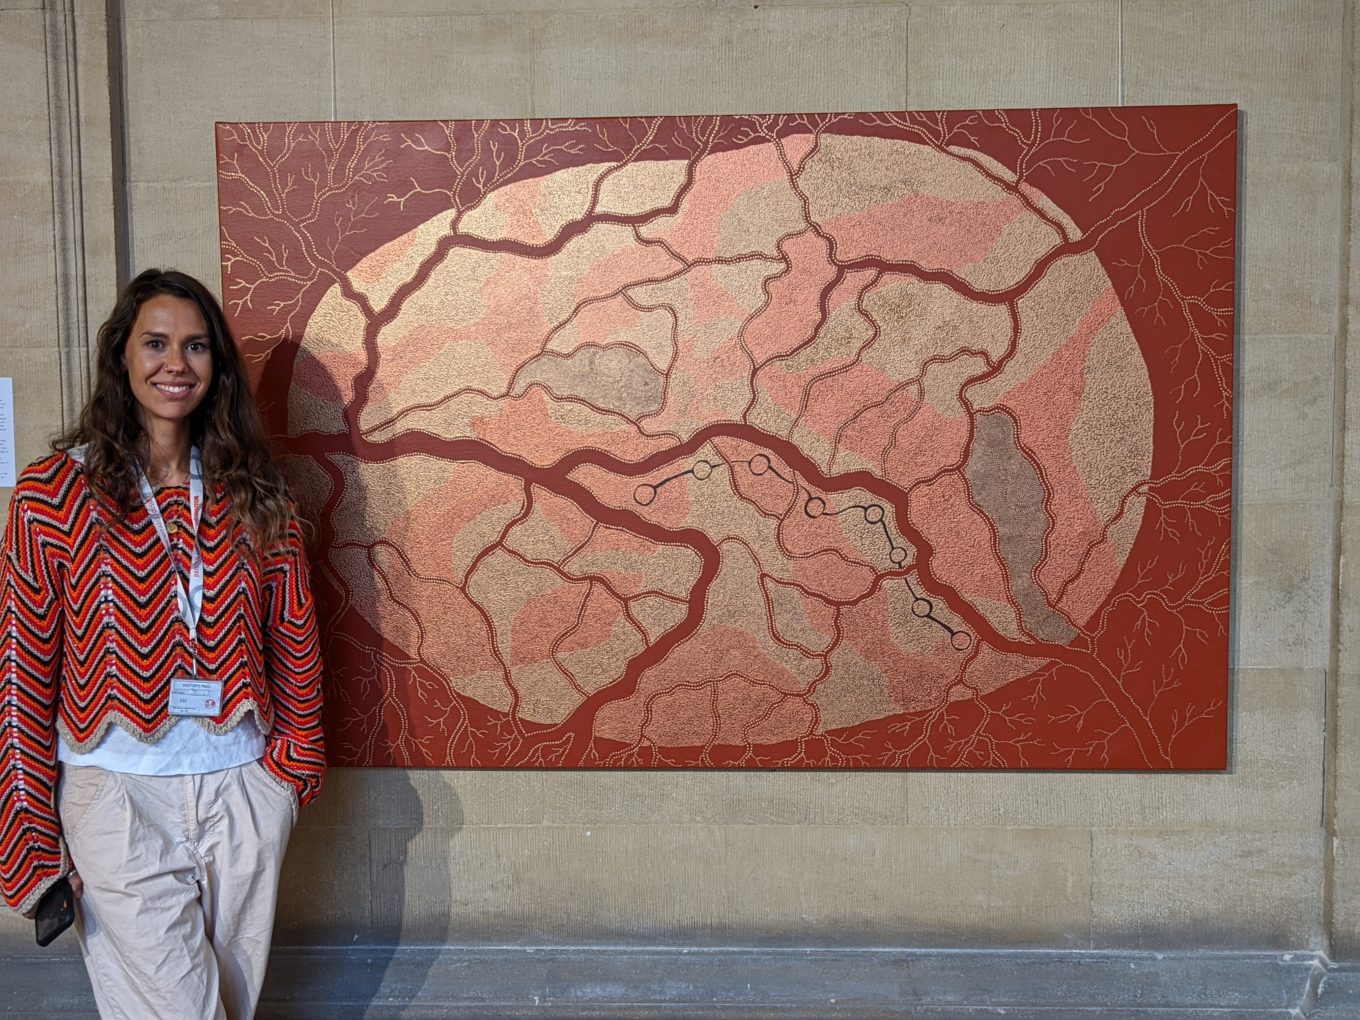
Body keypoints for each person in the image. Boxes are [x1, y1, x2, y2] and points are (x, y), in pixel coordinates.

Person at [0, 268, 325, 1019]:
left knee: (230, 1007)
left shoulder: (254, 490)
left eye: (196, 346)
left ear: (217, 368)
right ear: (122, 356)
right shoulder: (53, 496)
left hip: (243, 784)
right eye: (155, 343)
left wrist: (288, 773)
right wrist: (28, 830)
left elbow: (294, 634)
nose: (175, 363)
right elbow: (20, 670)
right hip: (116, 795)